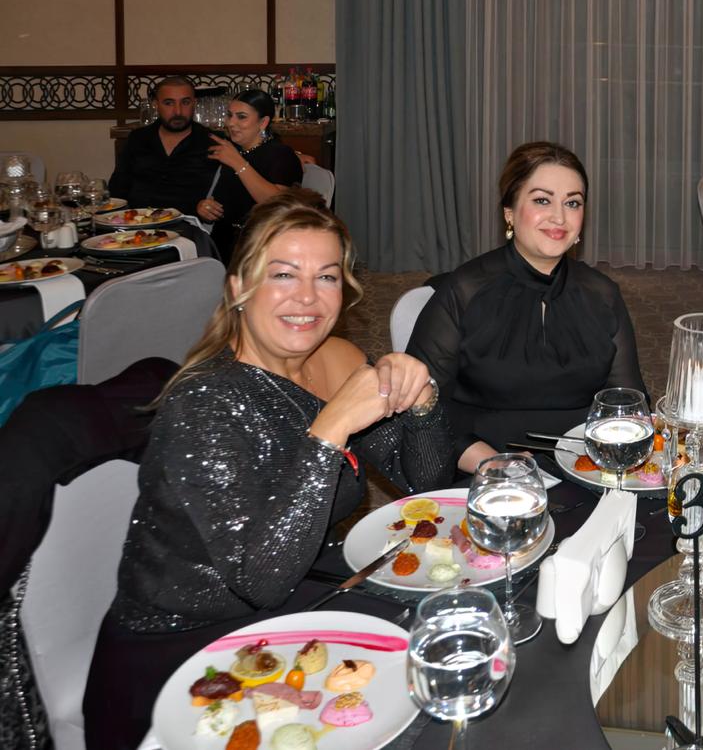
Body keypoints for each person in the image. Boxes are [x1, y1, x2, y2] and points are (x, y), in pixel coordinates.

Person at [84, 191, 451, 748]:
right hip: (187, 659)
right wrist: (330, 428)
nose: (307, 297)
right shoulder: (203, 404)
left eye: (326, 277)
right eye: (284, 274)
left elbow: (425, 482)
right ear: (238, 289)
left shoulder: (336, 359)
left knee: (439, 638)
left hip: (291, 601)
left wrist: (422, 400)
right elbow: (263, 579)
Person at [407, 141, 645, 471]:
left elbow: (629, 401)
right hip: (486, 464)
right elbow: (422, 406)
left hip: (588, 464)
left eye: (572, 203)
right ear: (509, 211)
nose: (559, 217)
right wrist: (489, 463)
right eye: (542, 200)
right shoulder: (464, 291)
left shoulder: (602, 294)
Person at [198, 88, 304, 261]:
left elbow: (277, 205)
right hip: (221, 243)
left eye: (241, 117)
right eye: (229, 115)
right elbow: (225, 203)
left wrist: (237, 162)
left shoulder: (281, 155)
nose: (231, 123)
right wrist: (205, 208)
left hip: (259, 247)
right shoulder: (234, 150)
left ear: (263, 122)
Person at [107, 76, 219, 215]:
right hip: (137, 221)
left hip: (188, 222)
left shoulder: (211, 142)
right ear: (156, 104)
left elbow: (223, 194)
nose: (178, 111)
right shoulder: (138, 138)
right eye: (168, 103)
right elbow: (117, 189)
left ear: (194, 103)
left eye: (185, 102)